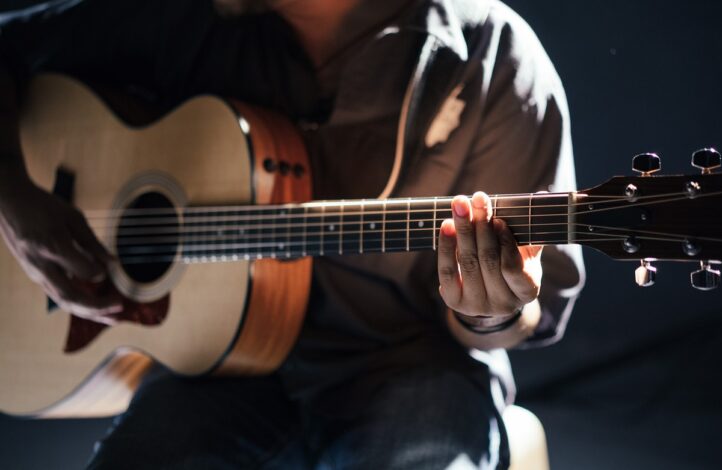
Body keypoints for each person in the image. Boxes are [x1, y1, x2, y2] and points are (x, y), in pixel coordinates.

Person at [0, 0, 584, 468]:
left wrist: (491, 309)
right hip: (217, 376)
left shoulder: (493, 55)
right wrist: (15, 198)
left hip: (411, 368)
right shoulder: (187, 18)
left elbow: (523, 315)